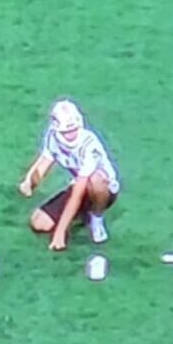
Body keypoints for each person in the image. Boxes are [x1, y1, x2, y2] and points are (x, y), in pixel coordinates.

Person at [17, 99, 120, 250]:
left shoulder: (89, 144)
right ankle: (82, 213)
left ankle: (96, 216)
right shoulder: (53, 136)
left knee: (95, 180)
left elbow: (78, 190)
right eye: (67, 132)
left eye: (74, 130)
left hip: (101, 188)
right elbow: (45, 160)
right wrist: (29, 182)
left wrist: (60, 232)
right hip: (79, 185)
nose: (71, 135)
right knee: (39, 222)